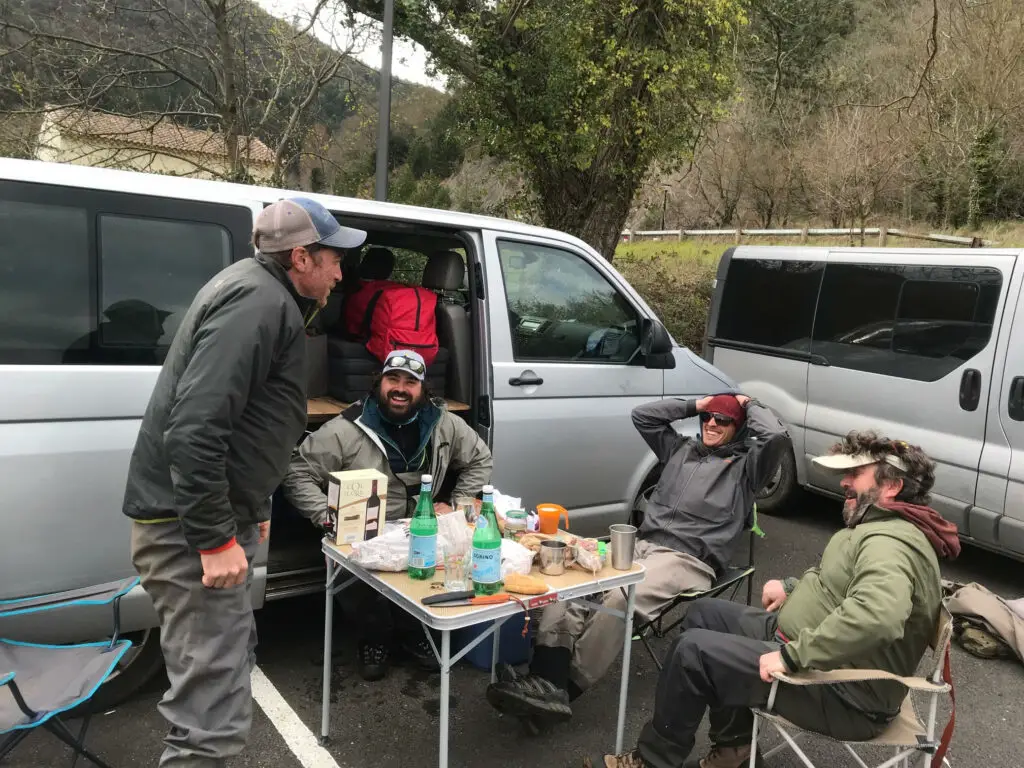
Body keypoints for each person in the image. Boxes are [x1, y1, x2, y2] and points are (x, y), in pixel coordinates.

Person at [123, 197, 367, 767]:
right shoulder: (260, 302)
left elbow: (247, 422)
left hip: (211, 517)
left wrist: (250, 504)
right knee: (210, 717)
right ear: (301, 257)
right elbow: (195, 429)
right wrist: (212, 538)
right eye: (334, 259)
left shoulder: (261, 292)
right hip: (188, 534)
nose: (340, 273)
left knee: (224, 676)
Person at [604, 430, 961, 768]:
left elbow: (879, 617)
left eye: (857, 473)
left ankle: (652, 761)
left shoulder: (889, 543)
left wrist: (792, 657)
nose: (845, 482)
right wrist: (793, 587)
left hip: (843, 691)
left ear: (892, 486)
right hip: (819, 651)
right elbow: (839, 584)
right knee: (705, 613)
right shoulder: (883, 527)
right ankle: (735, 749)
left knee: (692, 652)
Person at [485, 393, 790, 727]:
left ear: (739, 426)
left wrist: (748, 404)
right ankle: (544, 679)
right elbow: (643, 415)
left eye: (723, 419)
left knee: (621, 598)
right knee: (573, 583)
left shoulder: (748, 468)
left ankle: (564, 689)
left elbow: (775, 436)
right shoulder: (680, 449)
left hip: (687, 558)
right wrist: (696, 405)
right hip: (641, 544)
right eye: (708, 418)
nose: (712, 424)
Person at [281, 348, 493, 680]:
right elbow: (297, 472)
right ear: (378, 382)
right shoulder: (348, 428)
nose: (400, 388)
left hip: (419, 522)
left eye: (411, 382)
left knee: (439, 565)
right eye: (392, 379)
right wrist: (326, 515)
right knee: (354, 573)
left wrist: (457, 502)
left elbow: (480, 459)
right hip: (366, 528)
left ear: (423, 389)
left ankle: (413, 633)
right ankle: (375, 638)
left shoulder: (443, 423)